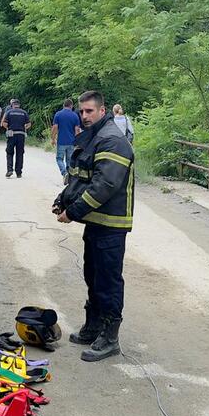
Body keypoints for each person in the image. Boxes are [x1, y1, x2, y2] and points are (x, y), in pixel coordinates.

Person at [52, 90, 134, 362]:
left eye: (90, 111)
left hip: (111, 223)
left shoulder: (112, 140)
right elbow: (79, 177)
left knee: (108, 280)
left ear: (102, 110)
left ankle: (110, 338)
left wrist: (72, 212)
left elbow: (105, 185)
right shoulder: (93, 138)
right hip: (96, 223)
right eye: (82, 111)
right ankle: (95, 325)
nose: (85, 116)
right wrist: (62, 199)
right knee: (93, 275)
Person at [50, 98, 81, 182]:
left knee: (59, 159)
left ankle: (64, 173)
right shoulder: (75, 115)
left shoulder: (58, 114)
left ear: (64, 105)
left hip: (61, 141)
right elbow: (77, 130)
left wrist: (53, 138)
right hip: (71, 142)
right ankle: (69, 176)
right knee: (69, 160)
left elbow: (55, 128)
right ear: (71, 106)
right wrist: (78, 141)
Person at [1, 99, 31, 178]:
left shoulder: (9, 112)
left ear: (13, 105)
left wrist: (8, 127)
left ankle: (10, 170)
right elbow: (29, 124)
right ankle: (19, 173)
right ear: (19, 105)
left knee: (9, 152)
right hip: (21, 135)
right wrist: (24, 127)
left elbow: (4, 123)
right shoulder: (24, 113)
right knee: (20, 153)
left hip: (11, 134)